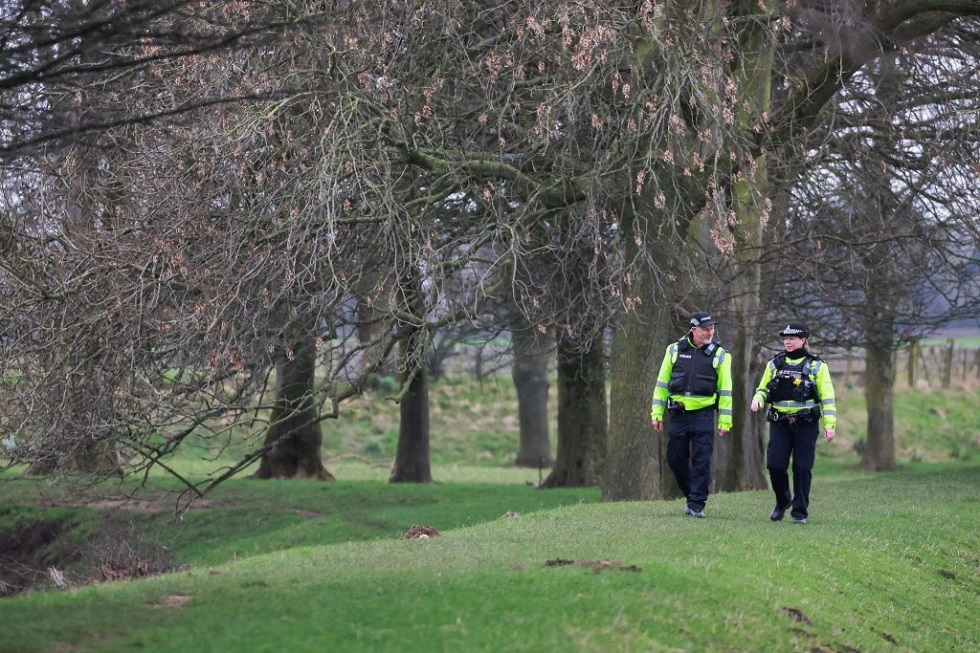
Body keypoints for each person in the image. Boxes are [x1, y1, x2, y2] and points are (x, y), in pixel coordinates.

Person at [750, 322, 836, 525]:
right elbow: (762, 389)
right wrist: (758, 399)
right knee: (775, 465)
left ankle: (799, 512)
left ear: (803, 339)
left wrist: (829, 424)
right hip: (780, 423)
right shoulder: (774, 364)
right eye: (785, 338)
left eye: (792, 338)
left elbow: (827, 397)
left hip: (806, 424)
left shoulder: (817, 366)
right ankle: (782, 501)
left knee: (802, 467)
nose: (787, 341)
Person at [651, 311, 733, 518]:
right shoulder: (674, 350)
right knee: (675, 459)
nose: (710, 332)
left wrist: (725, 421)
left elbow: (725, 391)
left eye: (712, 328)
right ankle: (691, 494)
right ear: (693, 330)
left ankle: (697, 504)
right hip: (678, 414)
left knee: (702, 460)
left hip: (704, 415)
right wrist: (656, 413)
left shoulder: (721, 355)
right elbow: (661, 385)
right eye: (706, 329)